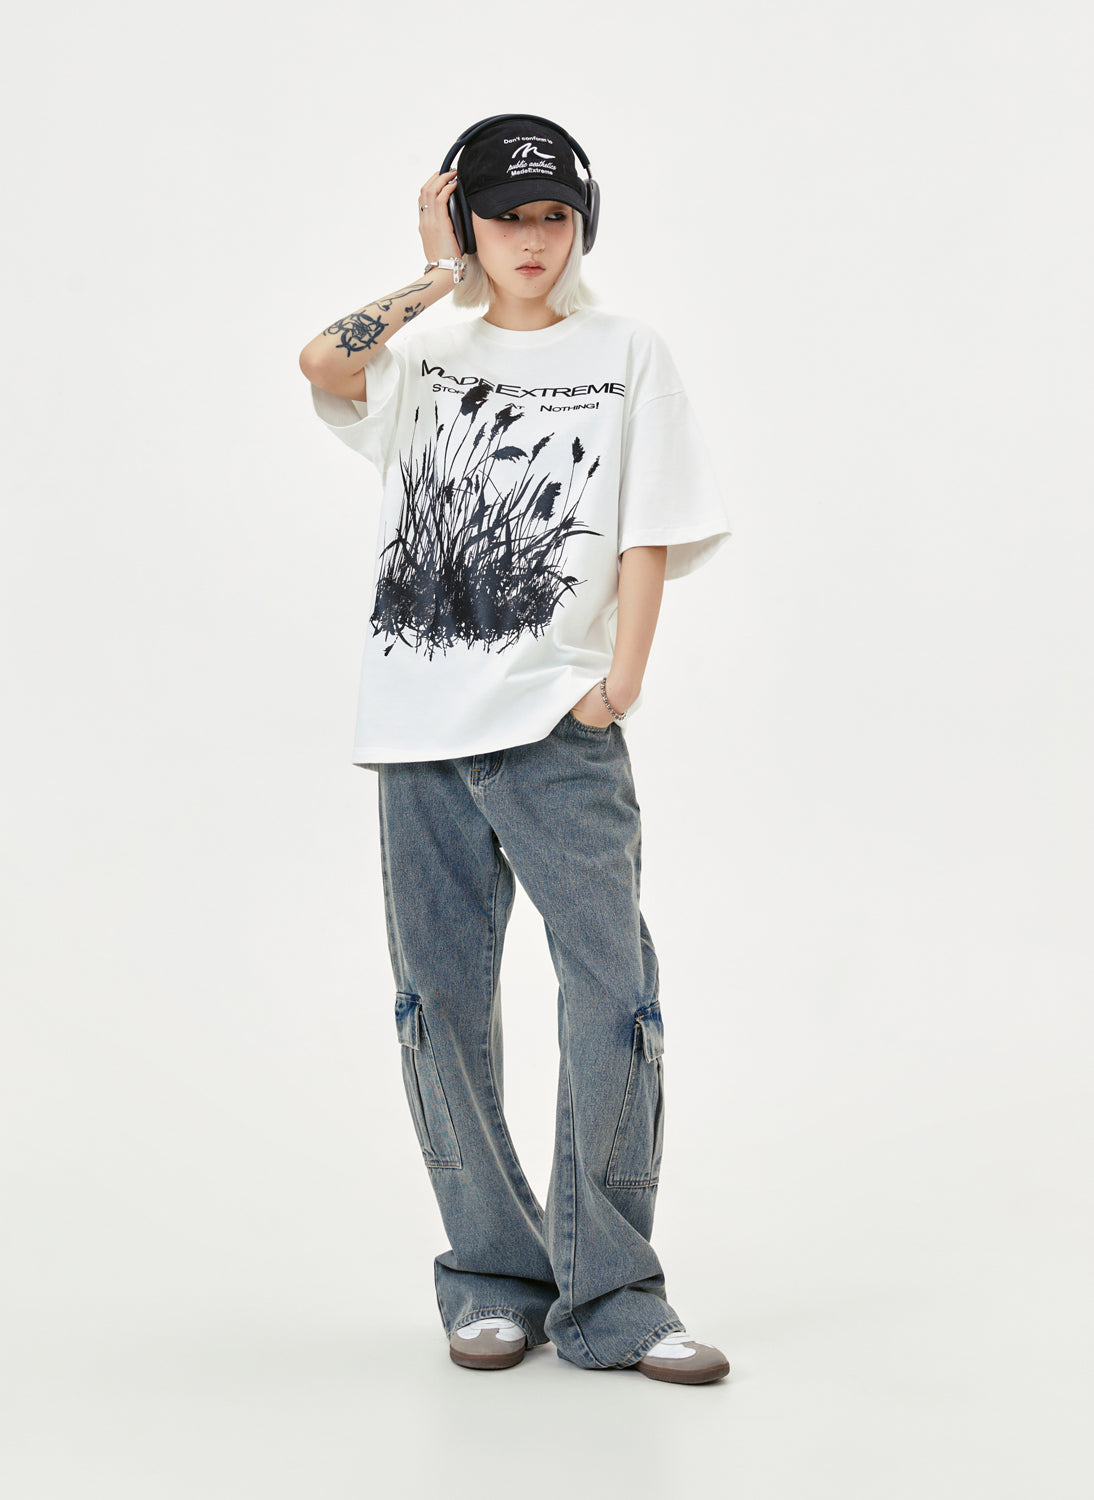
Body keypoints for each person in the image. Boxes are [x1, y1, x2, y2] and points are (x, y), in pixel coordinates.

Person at [298, 115, 732, 1384]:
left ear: (581, 224)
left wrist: (619, 683)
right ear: (466, 222)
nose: (529, 240)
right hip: (418, 733)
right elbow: (321, 362)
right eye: (502, 217)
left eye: (551, 216)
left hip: (556, 725)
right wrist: (434, 274)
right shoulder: (428, 351)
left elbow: (647, 524)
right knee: (438, 1006)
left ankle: (614, 1296)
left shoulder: (626, 350)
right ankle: (492, 1275)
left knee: (610, 998)